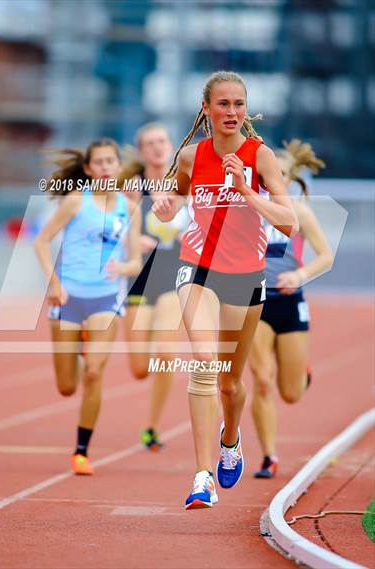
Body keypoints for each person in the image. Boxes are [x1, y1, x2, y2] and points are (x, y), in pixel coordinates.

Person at [152, 70, 298, 509]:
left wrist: (245, 190)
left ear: (245, 109)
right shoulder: (192, 157)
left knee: (232, 385)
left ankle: (230, 439)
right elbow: (174, 198)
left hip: (245, 276)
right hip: (197, 268)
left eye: (238, 104)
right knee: (204, 363)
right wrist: (165, 207)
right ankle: (201, 476)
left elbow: (288, 222)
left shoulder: (261, 156)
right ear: (206, 109)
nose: (231, 112)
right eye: (223, 104)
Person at [34, 139, 141, 474]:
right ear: (88, 169)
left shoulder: (129, 207)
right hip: (68, 298)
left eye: (112, 161)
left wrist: (123, 268)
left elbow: (136, 260)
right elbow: (40, 241)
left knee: (95, 373)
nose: (107, 167)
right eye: (101, 162)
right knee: (67, 387)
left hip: (106, 299)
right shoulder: (76, 202)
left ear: (118, 167)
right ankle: (81, 349)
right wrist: (54, 285)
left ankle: (81, 451)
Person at [248, 139, 333, 479]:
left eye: (278, 174)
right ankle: (269, 456)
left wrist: (299, 274)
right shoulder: (248, 207)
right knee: (262, 381)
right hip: (256, 301)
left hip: (290, 303)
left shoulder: (299, 211)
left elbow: (325, 255)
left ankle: (301, 373)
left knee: (290, 392)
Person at [119, 124, 189, 450]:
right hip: (139, 280)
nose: (157, 147)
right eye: (150, 143)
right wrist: (134, 237)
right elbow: (115, 227)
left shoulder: (185, 186)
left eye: (162, 141)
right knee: (138, 369)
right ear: (142, 151)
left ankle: (152, 426)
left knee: (165, 353)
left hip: (173, 280)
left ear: (172, 145)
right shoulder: (134, 188)